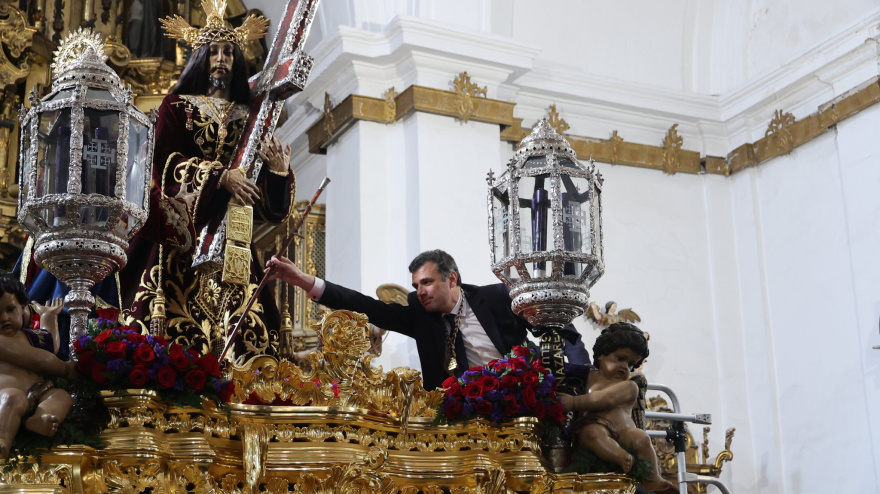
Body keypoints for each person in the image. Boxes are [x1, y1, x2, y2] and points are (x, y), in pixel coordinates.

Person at [118, 1, 292, 359]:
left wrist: (277, 172)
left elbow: (268, 205)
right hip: (183, 235)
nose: (222, 59)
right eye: (213, 52)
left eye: (229, 52)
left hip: (234, 237)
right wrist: (218, 177)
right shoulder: (177, 106)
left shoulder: (252, 118)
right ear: (201, 57)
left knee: (250, 345)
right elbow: (160, 165)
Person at [266, 249, 590, 390]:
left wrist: (577, 376)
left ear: (452, 280)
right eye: (416, 286)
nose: (420, 292)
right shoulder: (421, 315)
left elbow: (555, 325)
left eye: (427, 283)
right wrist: (305, 281)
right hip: (457, 415)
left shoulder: (496, 297)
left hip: (516, 396)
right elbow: (367, 306)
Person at [559, 323, 674, 492]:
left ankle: (653, 477)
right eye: (620, 359)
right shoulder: (587, 376)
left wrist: (574, 402)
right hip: (591, 428)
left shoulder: (630, 386)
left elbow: (606, 399)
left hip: (622, 432)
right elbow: (560, 370)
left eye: (630, 364)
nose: (625, 367)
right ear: (601, 355)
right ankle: (620, 456)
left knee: (641, 438)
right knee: (592, 434)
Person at [0, 277, 77, 459]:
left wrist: (48, 317)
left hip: (39, 392)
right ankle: (2, 439)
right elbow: (39, 359)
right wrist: (66, 370)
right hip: (6, 395)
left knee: (61, 396)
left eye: (10, 309)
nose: (4, 318)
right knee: (12, 398)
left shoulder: (29, 336)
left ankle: (42, 418)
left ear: (24, 308)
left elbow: (50, 347)